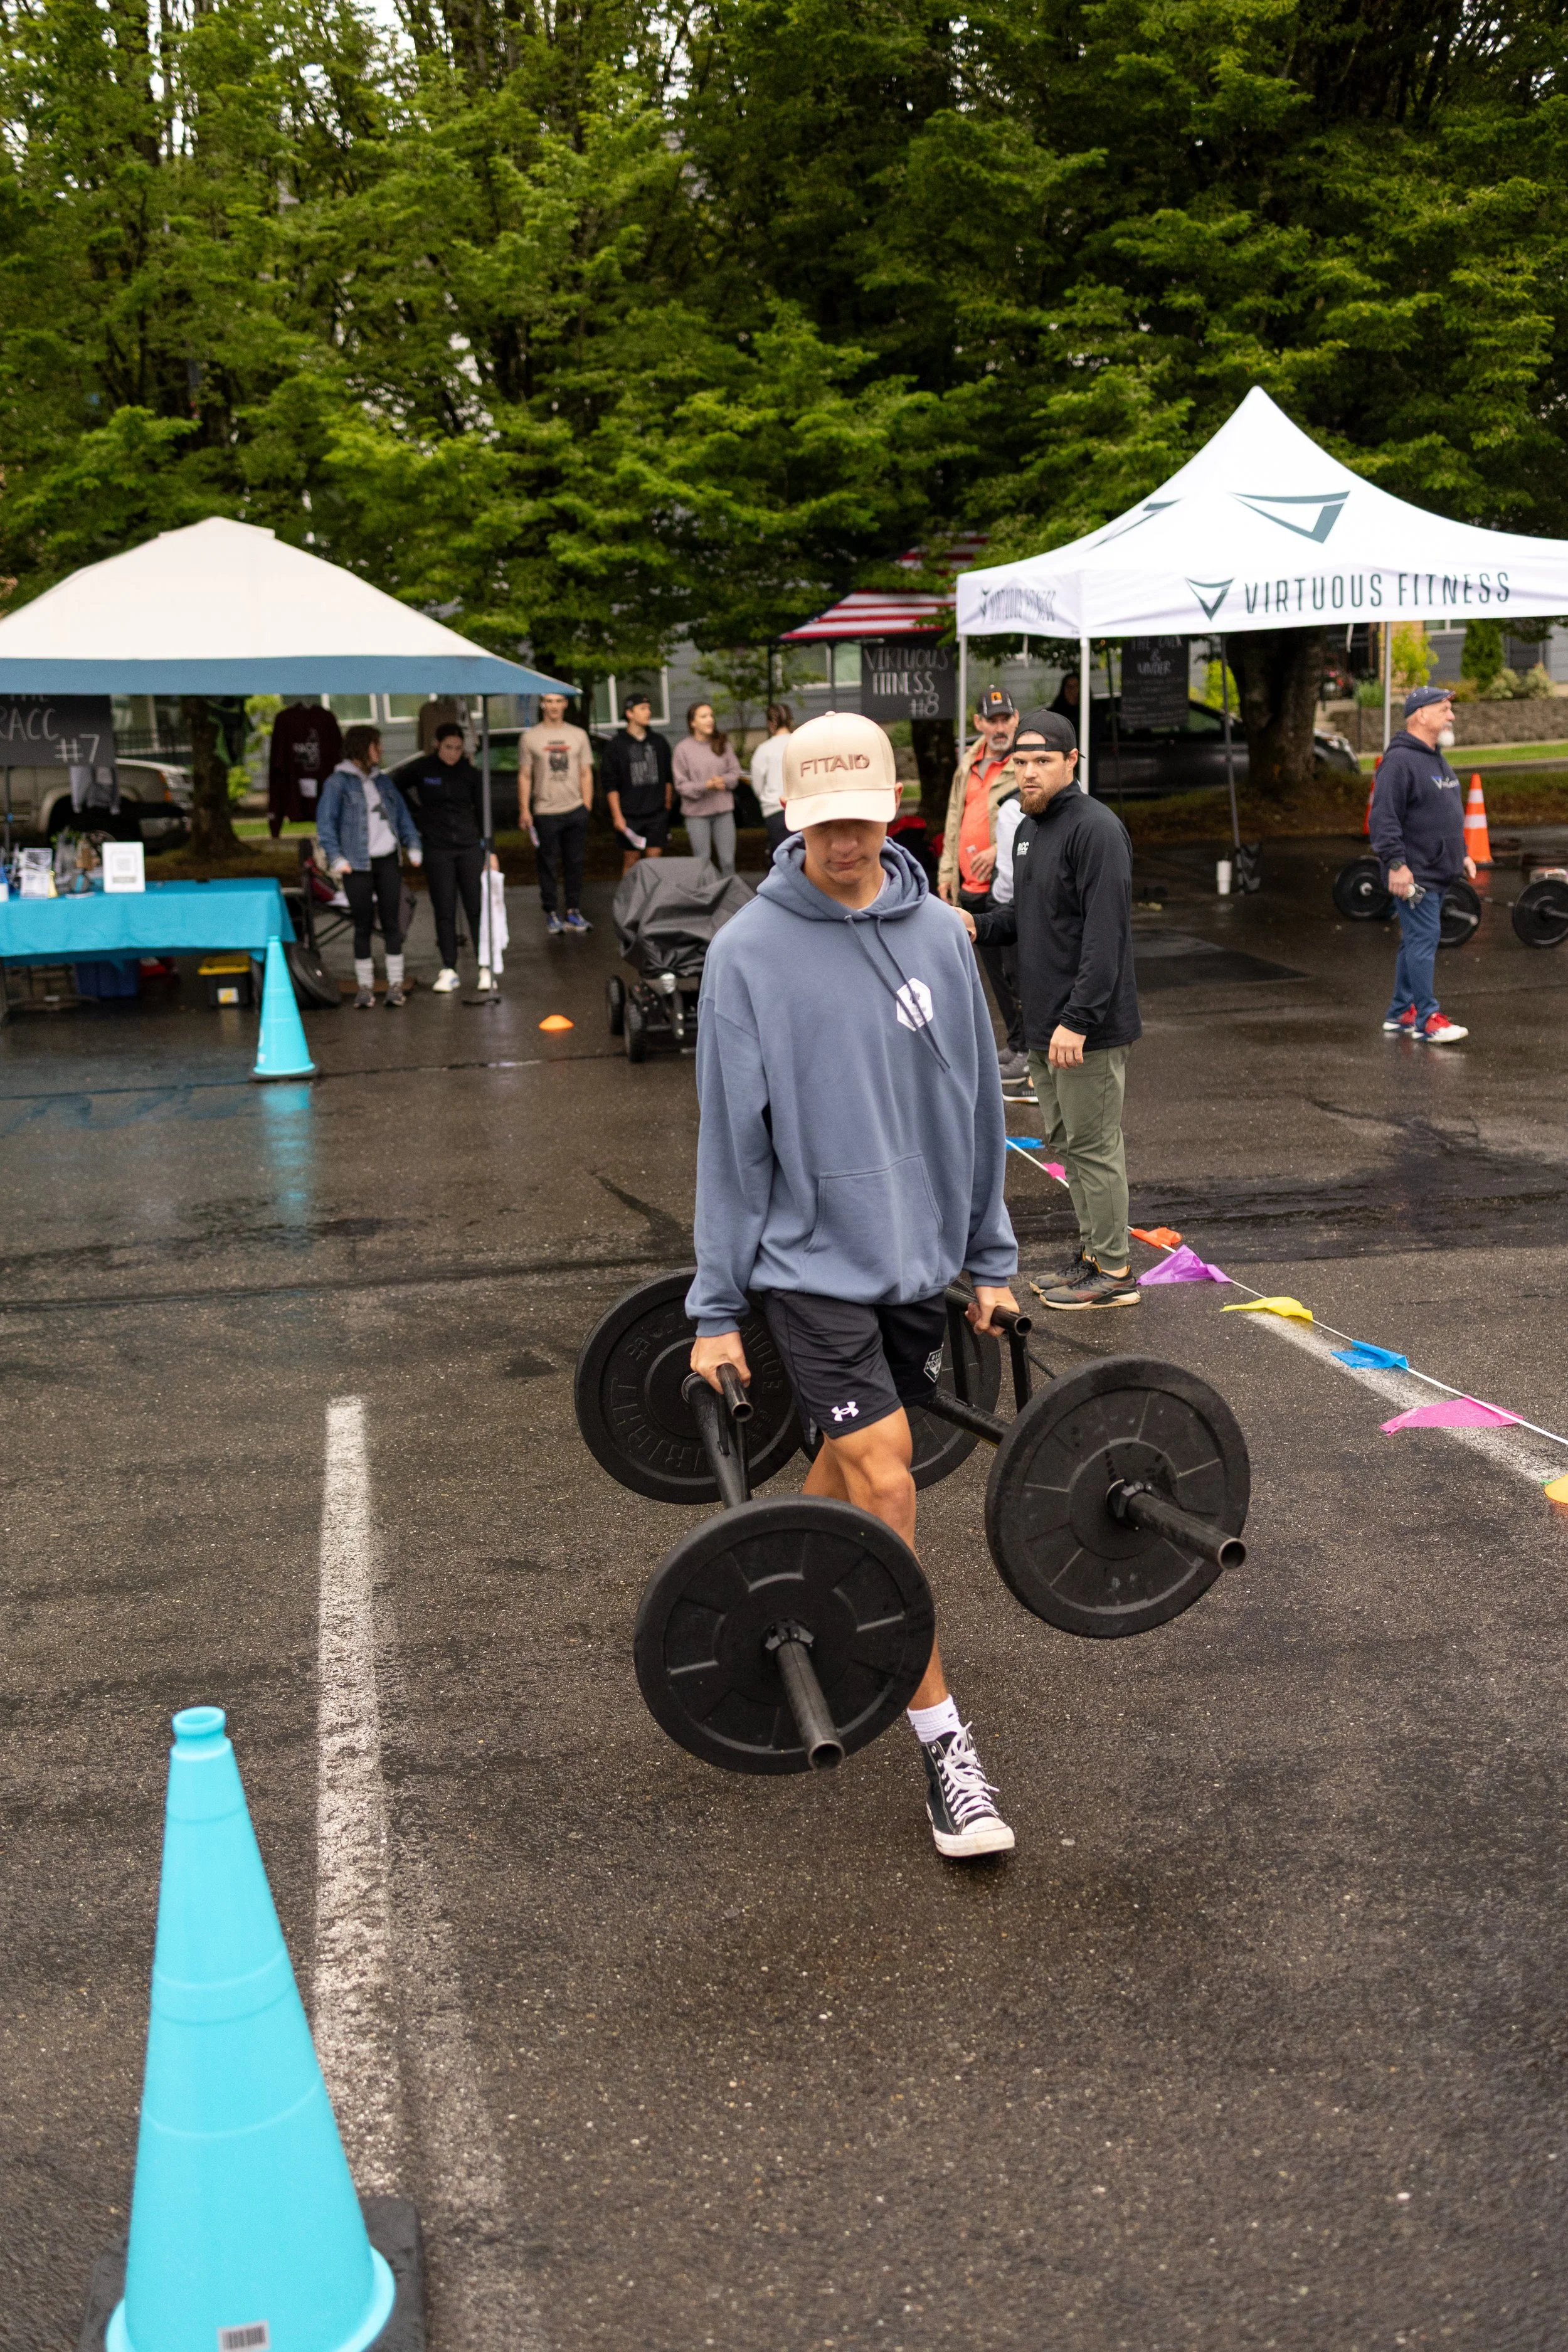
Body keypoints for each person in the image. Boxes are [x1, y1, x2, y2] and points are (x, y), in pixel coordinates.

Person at [686, 709, 1022, 1862]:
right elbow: (732, 1146)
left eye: (860, 818)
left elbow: (979, 1108)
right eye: (822, 822)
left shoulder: (939, 936)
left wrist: (991, 1260)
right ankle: (945, 1750)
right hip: (811, 1266)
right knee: (888, 1488)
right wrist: (717, 1309)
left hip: (919, 1262)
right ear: (795, 820)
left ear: (891, 812)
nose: (843, 840)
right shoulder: (746, 956)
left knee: (844, 1475)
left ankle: (776, 1602)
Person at [966, 709, 1142, 1309]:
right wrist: (975, 925)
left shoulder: (1096, 829)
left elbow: (1105, 934)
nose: (1031, 772)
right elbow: (1026, 920)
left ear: (1072, 762)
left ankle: (1115, 1273)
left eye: (1044, 761)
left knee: (1094, 1147)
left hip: (1083, 1026)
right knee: (1068, 1147)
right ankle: (1092, 1255)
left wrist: (1078, 1020)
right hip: (1045, 1024)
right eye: (1022, 761)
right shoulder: (1024, 827)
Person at [1369, 685, 1475, 1044]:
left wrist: (1461, 854)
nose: (1452, 715)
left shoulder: (1434, 757)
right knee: (1423, 939)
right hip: (1415, 874)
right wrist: (1396, 864)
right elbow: (1383, 820)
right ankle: (1428, 1017)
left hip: (1438, 870)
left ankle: (1401, 1012)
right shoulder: (1399, 761)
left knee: (1414, 941)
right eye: (1444, 709)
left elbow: (1440, 815)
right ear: (1421, 715)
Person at [938, 687, 1025, 1083]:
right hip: (968, 885)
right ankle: (1017, 1040)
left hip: (1000, 884)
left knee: (1016, 971)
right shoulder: (969, 760)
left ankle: (1027, 1049)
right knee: (992, 973)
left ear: (1016, 718)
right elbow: (954, 818)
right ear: (978, 724)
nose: (1000, 727)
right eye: (992, 720)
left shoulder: (1023, 764)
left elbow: (1028, 820)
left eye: (1006, 718)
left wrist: (996, 848)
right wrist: (945, 872)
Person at [317, 724, 423, 1007]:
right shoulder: (338, 783)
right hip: (357, 865)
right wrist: (337, 858)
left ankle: (395, 985)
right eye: (377, 745)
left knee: (392, 922)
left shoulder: (384, 782)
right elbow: (326, 826)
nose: (382, 750)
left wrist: (413, 844)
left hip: (387, 860)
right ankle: (365, 988)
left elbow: (402, 816)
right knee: (362, 925)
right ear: (363, 748)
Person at [391, 721, 500, 994]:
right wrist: (417, 814)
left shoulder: (470, 774)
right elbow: (394, 786)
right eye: (449, 747)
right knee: (444, 908)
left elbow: (484, 813)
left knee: (476, 906)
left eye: (459, 748)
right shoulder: (422, 769)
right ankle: (449, 968)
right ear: (437, 744)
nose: (454, 753)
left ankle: (484, 967)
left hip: (468, 846)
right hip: (437, 848)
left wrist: (491, 850)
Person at [521, 691, 594, 936]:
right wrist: (525, 809)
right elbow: (525, 775)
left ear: (565, 704)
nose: (553, 706)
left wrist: (587, 806)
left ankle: (573, 910)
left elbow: (586, 772)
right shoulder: (531, 737)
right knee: (548, 864)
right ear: (542, 704)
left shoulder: (578, 735)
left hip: (574, 809)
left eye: (558, 701)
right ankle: (552, 912)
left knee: (575, 863)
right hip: (545, 810)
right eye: (548, 701)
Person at [600, 692, 674, 874]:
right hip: (629, 815)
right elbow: (611, 785)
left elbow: (668, 779)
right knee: (632, 861)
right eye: (642, 709)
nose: (648, 712)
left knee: (654, 862)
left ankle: (650, 902)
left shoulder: (659, 742)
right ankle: (629, 901)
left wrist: (666, 808)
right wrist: (617, 816)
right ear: (630, 713)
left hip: (656, 813)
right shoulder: (616, 746)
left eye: (649, 708)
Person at [673, 701, 741, 874]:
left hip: (723, 812)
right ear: (693, 723)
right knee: (702, 863)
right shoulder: (682, 749)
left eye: (711, 716)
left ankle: (730, 898)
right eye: (704, 716)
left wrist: (722, 780)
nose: (710, 720)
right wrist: (706, 786)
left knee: (727, 861)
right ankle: (707, 899)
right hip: (696, 815)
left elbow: (735, 774)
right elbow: (681, 786)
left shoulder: (723, 744)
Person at [268, 701, 343, 839]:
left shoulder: (326, 719)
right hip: (301, 791)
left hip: (320, 792)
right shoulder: (285, 720)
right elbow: (276, 768)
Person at [749, 702, 793, 854]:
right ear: (791, 721)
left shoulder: (764, 749)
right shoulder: (801, 742)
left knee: (782, 854)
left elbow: (757, 785)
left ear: (770, 724)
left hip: (775, 809)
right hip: (801, 806)